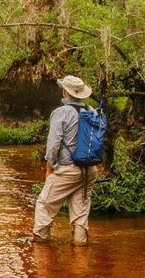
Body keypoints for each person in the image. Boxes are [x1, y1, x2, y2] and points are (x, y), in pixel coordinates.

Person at [33, 75, 97, 246]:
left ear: (64, 93)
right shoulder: (92, 111)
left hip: (67, 169)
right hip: (89, 170)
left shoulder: (61, 113)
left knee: (44, 205)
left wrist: (49, 169)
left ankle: (40, 246)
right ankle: (80, 252)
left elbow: (53, 145)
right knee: (80, 212)